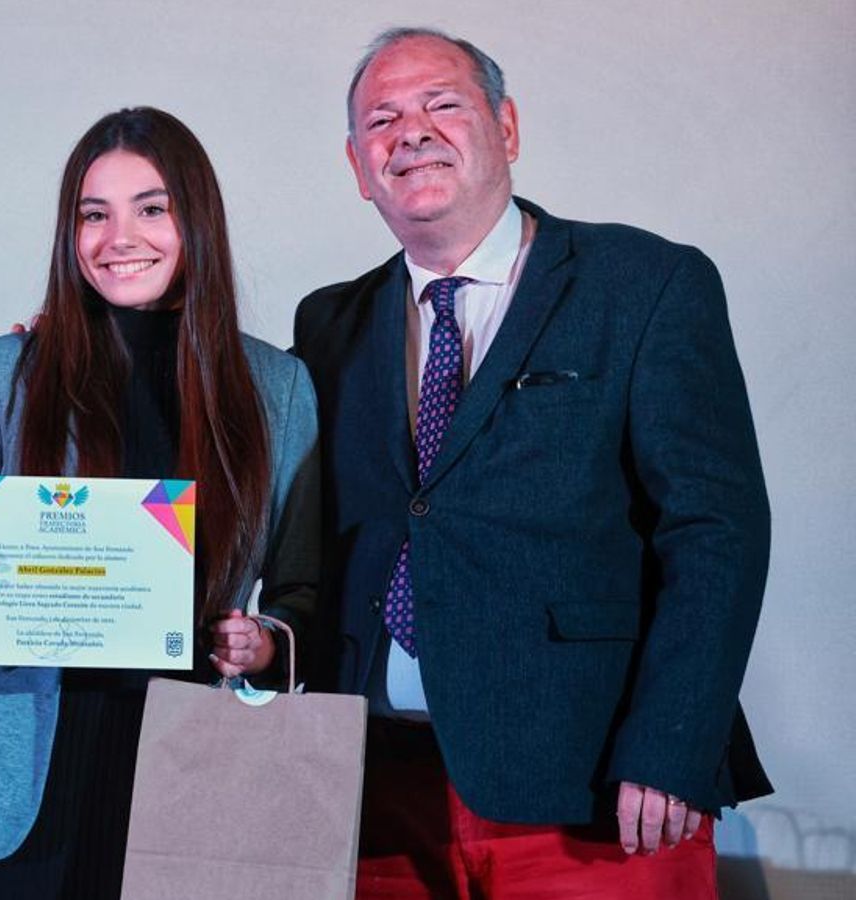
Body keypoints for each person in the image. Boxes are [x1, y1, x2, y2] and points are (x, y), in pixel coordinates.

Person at [293, 27, 771, 898]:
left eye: (444, 104)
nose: (412, 132)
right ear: (360, 167)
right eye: (382, 120)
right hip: (373, 791)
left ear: (506, 129)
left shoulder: (645, 282)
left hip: (594, 791)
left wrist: (672, 746)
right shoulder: (328, 324)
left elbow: (717, 532)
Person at [0, 107, 320, 898]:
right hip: (12, 768)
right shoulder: (1, 371)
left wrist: (261, 647)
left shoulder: (277, 389)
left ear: (198, 222)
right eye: (94, 214)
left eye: (152, 208)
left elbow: (300, 591)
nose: (121, 236)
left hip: (191, 765)